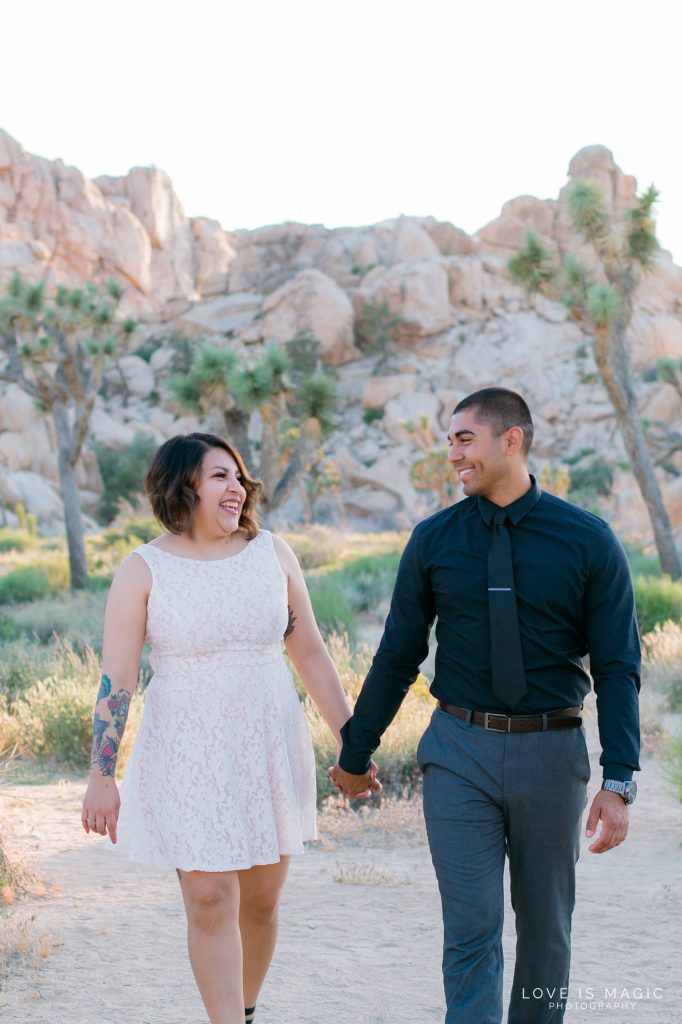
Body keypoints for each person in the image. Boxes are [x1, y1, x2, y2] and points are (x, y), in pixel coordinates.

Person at [329, 387, 640, 1024]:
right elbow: (397, 655)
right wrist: (354, 753)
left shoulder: (588, 541)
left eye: (464, 439)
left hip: (552, 755)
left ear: (512, 440)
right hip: (458, 752)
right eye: (450, 442)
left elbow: (617, 667)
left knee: (547, 932)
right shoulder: (434, 539)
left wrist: (619, 779)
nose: (453, 455)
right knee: (470, 929)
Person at [81, 432, 379, 1024]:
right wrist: (101, 775)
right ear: (183, 486)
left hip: (266, 740)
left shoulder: (274, 553)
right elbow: (116, 682)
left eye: (238, 476)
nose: (236, 487)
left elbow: (311, 652)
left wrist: (353, 737)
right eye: (220, 476)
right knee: (211, 897)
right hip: (187, 747)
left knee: (262, 904)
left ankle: (244, 1010)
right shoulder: (143, 569)